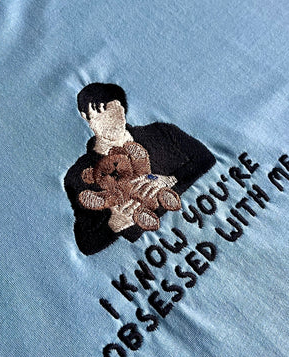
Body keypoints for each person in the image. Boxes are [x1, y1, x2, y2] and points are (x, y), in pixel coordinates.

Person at [64, 83, 216, 255]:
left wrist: (170, 180)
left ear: (123, 111)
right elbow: (86, 244)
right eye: (100, 115)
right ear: (85, 117)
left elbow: (206, 158)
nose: (110, 123)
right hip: (158, 248)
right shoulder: (78, 176)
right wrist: (115, 223)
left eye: (114, 114)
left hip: (199, 216)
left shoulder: (161, 132)